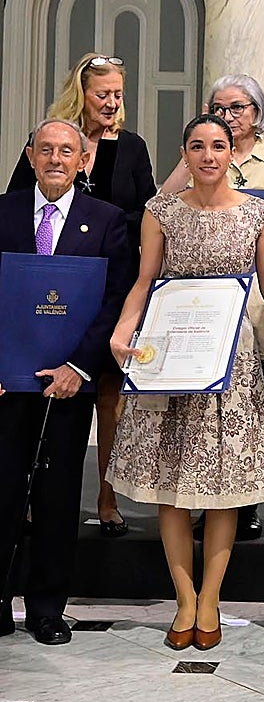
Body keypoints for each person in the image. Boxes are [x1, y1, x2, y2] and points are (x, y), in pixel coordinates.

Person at [107, 114, 264, 652]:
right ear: (184, 153)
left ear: (233, 152)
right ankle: (184, 599)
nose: (208, 156)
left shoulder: (260, 214)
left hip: (231, 363)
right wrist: (121, 331)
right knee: (170, 487)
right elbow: (144, 281)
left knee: (224, 490)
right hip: (170, 360)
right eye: (197, 147)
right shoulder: (160, 213)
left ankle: (211, 600)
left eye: (218, 146)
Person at [7, 53, 154, 538]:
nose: (112, 102)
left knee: (106, 401)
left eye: (118, 94)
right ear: (82, 94)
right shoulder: (54, 139)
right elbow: (15, 219)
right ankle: (28, 501)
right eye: (102, 93)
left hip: (102, 284)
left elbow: (149, 208)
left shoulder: (132, 147)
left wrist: (105, 230)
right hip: (36, 304)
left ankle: (106, 498)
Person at [0, 119, 130, 643]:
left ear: (83, 161)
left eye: (66, 151)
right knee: (3, 491)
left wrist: (80, 367)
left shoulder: (108, 221)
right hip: (7, 385)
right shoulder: (2, 211)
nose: (55, 159)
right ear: (30, 156)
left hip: (70, 385)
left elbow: (115, 299)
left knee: (56, 497)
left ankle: (48, 608)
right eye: (46, 150)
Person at [160, 74, 264, 542]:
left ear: (257, 114)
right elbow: (162, 206)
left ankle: (246, 503)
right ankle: (200, 498)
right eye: (219, 107)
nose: (227, 115)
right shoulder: (199, 153)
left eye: (237, 107)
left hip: (254, 309)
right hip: (196, 312)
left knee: (250, 411)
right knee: (198, 413)